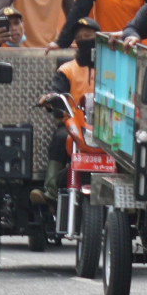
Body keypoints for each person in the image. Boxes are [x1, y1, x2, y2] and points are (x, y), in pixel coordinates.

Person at [30, 18, 99, 207]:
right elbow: (57, 90)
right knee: (60, 138)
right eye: (80, 37)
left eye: (89, 36)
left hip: (106, 128)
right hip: (75, 126)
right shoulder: (67, 69)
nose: (85, 40)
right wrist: (49, 98)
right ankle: (50, 192)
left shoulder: (111, 68)